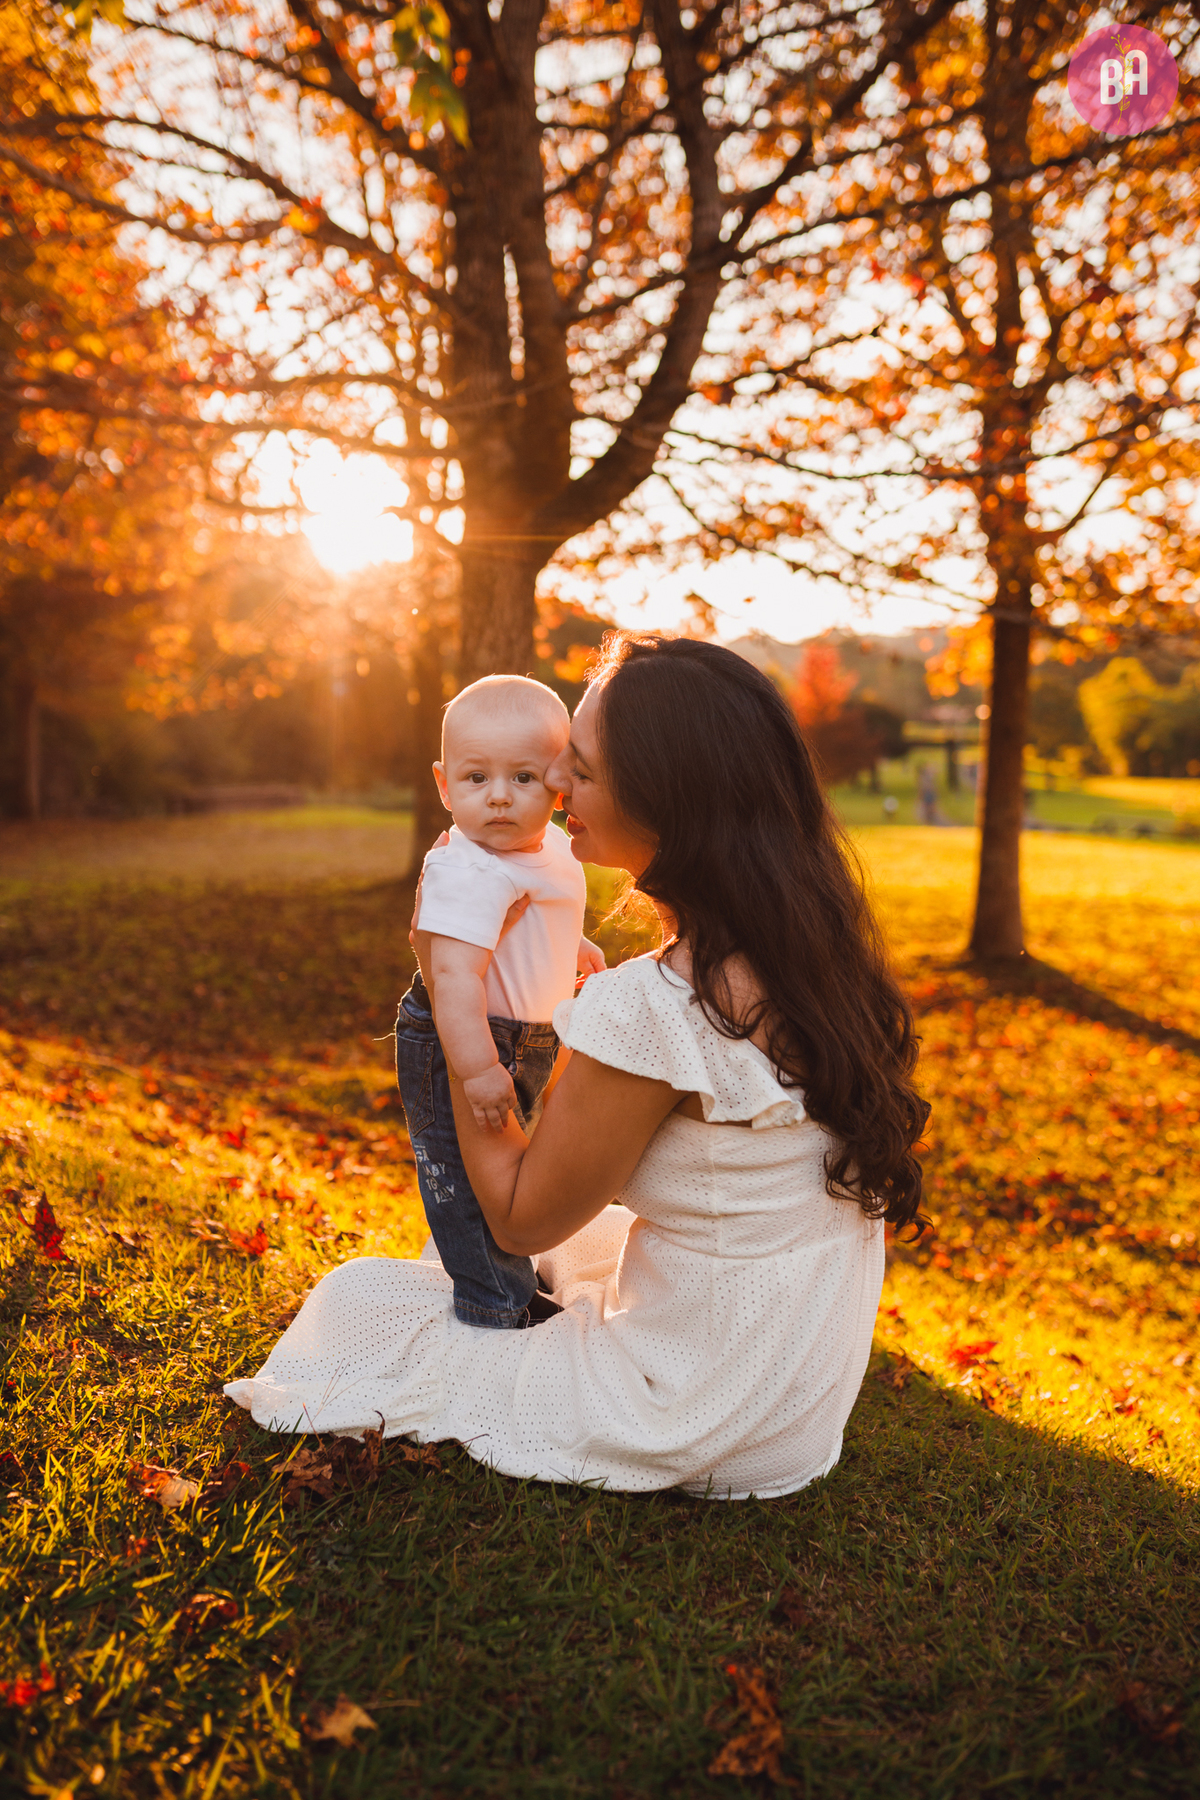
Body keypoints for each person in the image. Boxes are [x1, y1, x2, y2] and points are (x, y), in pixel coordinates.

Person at [225, 634, 929, 1500]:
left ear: (666, 801)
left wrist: (458, 1021)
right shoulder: (806, 945)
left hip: (693, 1410)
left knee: (358, 1302)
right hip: (792, 1397)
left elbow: (520, 1217)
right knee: (546, 1247)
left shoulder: (661, 1002)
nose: (554, 782)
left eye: (582, 770)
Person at [394, 674, 603, 1330]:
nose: (500, 797)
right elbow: (454, 976)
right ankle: (492, 1301)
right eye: (476, 778)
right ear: (443, 784)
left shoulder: (552, 847)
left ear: (559, 783)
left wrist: (570, 945)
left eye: (523, 778)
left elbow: (539, 907)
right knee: (462, 1173)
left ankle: (507, 1275)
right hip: (468, 1037)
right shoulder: (469, 868)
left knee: (511, 1166)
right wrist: (478, 1068)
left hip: (528, 1034)